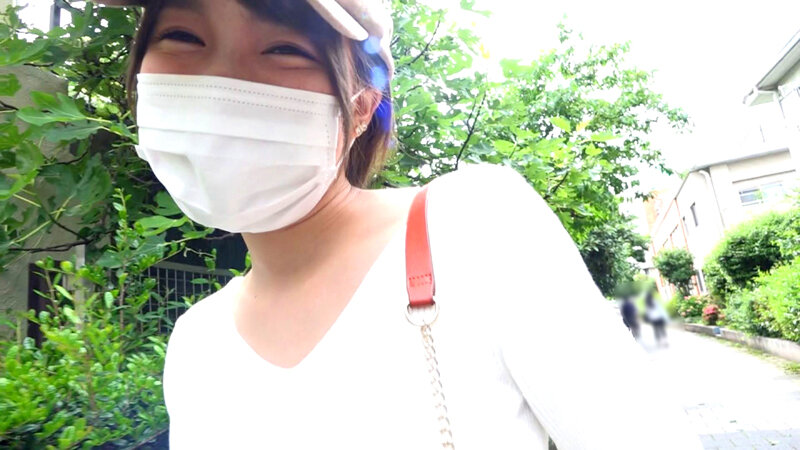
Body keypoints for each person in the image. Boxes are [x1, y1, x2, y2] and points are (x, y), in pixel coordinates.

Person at [104, 1, 703, 448]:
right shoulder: (196, 342)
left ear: (361, 108)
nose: (221, 81)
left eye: (283, 48)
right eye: (183, 36)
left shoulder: (476, 226)